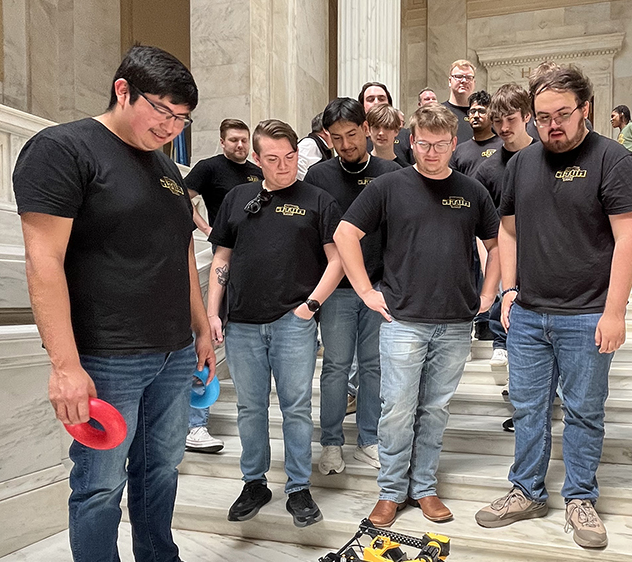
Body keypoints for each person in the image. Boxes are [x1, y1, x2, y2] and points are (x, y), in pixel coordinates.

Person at [13, 44, 223, 562]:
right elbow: (43, 261)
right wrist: (64, 365)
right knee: (99, 486)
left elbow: (180, 254)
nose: (171, 127)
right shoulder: (64, 149)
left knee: (160, 467)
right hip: (105, 357)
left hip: (172, 351)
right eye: (162, 111)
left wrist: (200, 328)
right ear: (123, 90)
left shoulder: (166, 169)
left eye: (182, 119)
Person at [474, 64, 632, 550]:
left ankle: (580, 498)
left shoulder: (613, 160)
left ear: (585, 108)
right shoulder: (521, 164)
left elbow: (629, 237)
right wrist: (509, 290)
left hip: (588, 313)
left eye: (563, 115)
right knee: (528, 408)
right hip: (529, 313)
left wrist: (615, 312)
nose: (553, 125)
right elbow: (508, 230)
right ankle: (526, 491)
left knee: (584, 411)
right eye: (543, 116)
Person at [333, 104, 500, 528]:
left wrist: (489, 292)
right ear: (412, 141)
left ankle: (424, 486)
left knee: (435, 408)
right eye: (424, 144)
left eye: (441, 144)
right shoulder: (389, 186)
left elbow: (497, 243)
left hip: (456, 320)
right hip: (402, 319)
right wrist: (365, 290)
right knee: (397, 409)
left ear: (453, 143)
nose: (432, 152)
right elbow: (345, 233)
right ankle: (391, 490)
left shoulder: (472, 190)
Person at [206, 120, 345, 527]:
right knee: (250, 407)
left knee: (296, 408)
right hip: (242, 323)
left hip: (292, 322)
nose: (284, 166)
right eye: (273, 158)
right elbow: (221, 258)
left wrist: (310, 305)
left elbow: (337, 260)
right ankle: (254, 482)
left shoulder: (318, 200)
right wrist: (213, 312)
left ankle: (298, 487)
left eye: (290, 157)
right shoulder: (237, 197)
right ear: (256, 158)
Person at [304, 98, 401, 475]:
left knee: (374, 367)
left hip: (378, 288)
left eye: (351, 134)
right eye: (337, 137)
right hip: (337, 291)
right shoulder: (318, 176)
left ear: (366, 129)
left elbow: (399, 232)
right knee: (335, 367)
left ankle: (369, 439)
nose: (345, 144)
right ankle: (331, 442)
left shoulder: (390, 171)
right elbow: (312, 236)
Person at [184, 118, 263, 454]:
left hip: (252, 266)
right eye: (233, 140)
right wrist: (207, 229)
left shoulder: (257, 173)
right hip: (223, 259)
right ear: (222, 141)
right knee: (206, 337)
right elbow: (183, 199)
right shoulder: (209, 168)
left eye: (244, 140)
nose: (240, 145)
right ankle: (195, 424)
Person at [473, 83, 537, 368]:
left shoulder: (548, 156)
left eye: (510, 119)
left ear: (527, 116)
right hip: (504, 251)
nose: (503, 127)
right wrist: (490, 264)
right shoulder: (487, 170)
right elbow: (482, 227)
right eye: (497, 121)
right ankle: (502, 344)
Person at [358, 81, 413, 165]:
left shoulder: (405, 135)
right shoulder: (355, 135)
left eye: (381, 99)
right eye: (370, 99)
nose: (376, 102)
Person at [450, 90, 498, 176]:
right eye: (472, 111)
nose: (476, 116)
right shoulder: (459, 151)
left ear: (492, 115)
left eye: (481, 111)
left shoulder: (503, 146)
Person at [442, 60, 476, 143]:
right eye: (459, 76)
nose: (464, 81)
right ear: (450, 81)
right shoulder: (439, 112)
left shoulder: (481, 113)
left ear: (474, 83)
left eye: (469, 77)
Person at [296, 112, 333, 180]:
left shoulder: (317, 145)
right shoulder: (309, 143)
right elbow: (297, 166)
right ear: (326, 130)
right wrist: (309, 185)